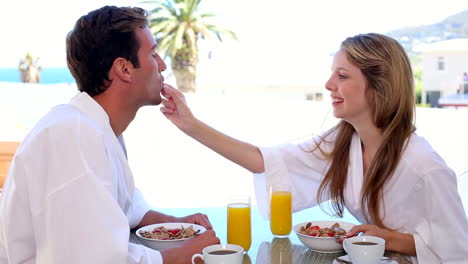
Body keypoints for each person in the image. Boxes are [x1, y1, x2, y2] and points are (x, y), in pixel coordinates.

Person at [160, 33, 468, 263]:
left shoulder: (424, 167)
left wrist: (395, 240)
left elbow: (458, 248)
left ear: (378, 87)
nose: (328, 84)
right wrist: (191, 125)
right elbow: (265, 161)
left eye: (342, 75)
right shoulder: (344, 142)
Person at [0, 6, 219, 264]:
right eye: (153, 53)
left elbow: (114, 202)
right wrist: (181, 255)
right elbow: (90, 256)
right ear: (124, 69)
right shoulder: (73, 136)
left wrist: (172, 224)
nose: (162, 65)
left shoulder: (94, 128)